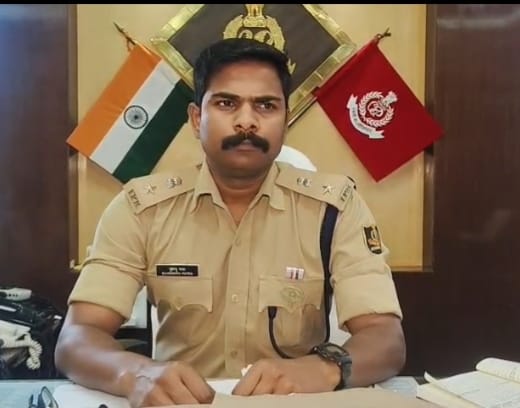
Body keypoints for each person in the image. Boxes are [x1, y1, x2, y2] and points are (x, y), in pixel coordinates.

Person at [55, 37, 405, 407]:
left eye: (266, 105)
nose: (247, 121)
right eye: (226, 103)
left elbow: (385, 338)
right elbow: (78, 336)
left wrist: (321, 369)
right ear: (196, 119)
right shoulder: (141, 208)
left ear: (286, 120)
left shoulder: (335, 208)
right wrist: (134, 373)